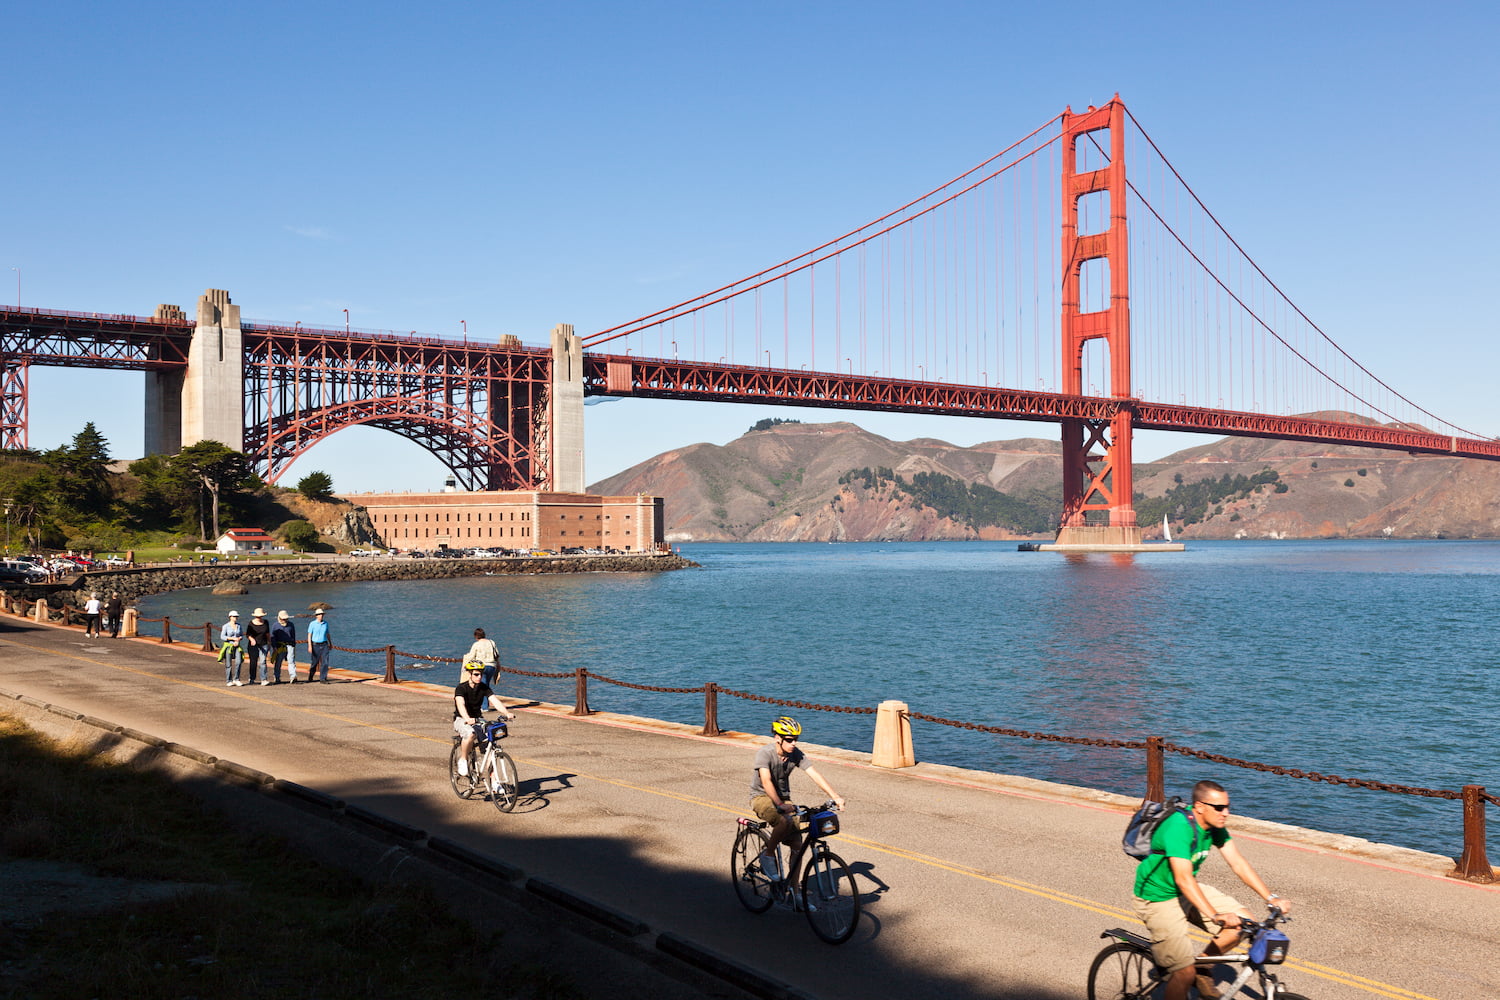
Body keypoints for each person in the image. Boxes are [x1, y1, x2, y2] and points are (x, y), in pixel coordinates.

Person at [1133, 780, 1293, 1000]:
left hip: (1185, 891)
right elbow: (1183, 878)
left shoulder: (1214, 827)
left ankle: (1203, 968)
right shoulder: (1179, 827)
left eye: (1227, 807)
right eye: (1219, 808)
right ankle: (1190, 973)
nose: (1225, 813)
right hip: (1157, 898)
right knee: (1183, 973)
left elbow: (1237, 862)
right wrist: (1216, 915)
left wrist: (1271, 897)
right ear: (1199, 806)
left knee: (1244, 923)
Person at [748, 716, 846, 881]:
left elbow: (814, 773)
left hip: (784, 800)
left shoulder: (795, 754)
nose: (794, 743)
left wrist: (835, 796)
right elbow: (766, 781)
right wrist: (779, 804)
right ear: (777, 738)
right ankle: (768, 854)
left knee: (797, 846)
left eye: (796, 739)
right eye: (789, 740)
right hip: (761, 797)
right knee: (785, 821)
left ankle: (794, 893)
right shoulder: (765, 753)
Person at [452, 660, 516, 776]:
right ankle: (463, 759)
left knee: (490, 746)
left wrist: (506, 713)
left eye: (481, 674)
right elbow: (460, 705)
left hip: (478, 719)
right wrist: (467, 718)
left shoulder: (484, 688)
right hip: (461, 719)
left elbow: (495, 701)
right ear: (470, 674)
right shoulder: (461, 688)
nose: (479, 677)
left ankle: (494, 783)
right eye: (476, 674)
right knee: (470, 733)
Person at [245, 608, 272, 686]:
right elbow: (248, 634)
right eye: (258, 616)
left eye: (260, 616)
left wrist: (269, 643)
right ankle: (252, 678)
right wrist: (252, 639)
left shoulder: (266, 622)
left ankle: (263, 679)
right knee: (253, 662)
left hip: (263, 644)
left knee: (263, 662)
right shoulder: (251, 623)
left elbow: (267, 634)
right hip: (253, 645)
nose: (259, 618)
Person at [270, 610, 297, 684]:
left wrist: (293, 644)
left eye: (285, 618)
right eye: (283, 618)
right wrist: (274, 646)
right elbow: (272, 637)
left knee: (291, 661)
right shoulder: (275, 625)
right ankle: (277, 677)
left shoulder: (291, 624)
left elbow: (293, 635)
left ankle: (293, 676)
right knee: (278, 662)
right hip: (280, 646)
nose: (284, 620)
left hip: (290, 645)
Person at [220, 611, 245, 686]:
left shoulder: (239, 626)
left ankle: (236, 679)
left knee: (238, 662)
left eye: (236, 616)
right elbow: (222, 637)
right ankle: (229, 680)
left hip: (237, 646)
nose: (235, 618)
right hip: (229, 646)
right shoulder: (225, 626)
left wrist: (239, 638)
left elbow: (241, 635)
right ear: (230, 617)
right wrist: (232, 639)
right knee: (228, 663)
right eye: (234, 616)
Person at [306, 607, 331, 682]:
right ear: (316, 615)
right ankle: (311, 675)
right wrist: (310, 646)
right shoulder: (312, 624)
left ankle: (323, 678)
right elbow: (309, 635)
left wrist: (330, 643)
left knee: (325, 662)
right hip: (315, 645)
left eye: (322, 614)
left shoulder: (325, 623)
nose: (321, 615)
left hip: (324, 644)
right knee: (314, 662)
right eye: (319, 614)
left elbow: (327, 634)